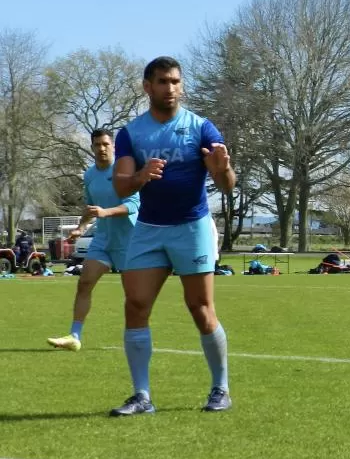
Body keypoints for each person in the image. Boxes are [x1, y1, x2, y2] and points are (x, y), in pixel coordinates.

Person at [110, 56, 236, 417]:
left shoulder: (201, 128)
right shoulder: (131, 134)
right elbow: (120, 187)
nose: (171, 88)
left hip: (192, 227)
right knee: (135, 306)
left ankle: (220, 388)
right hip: (149, 229)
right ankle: (141, 396)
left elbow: (228, 185)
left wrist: (221, 169)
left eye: (176, 82)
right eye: (163, 82)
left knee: (200, 309)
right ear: (147, 87)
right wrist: (140, 177)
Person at [46, 128, 139, 351]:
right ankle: (74, 336)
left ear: (113, 147)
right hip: (103, 239)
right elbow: (89, 209)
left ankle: (136, 337)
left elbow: (133, 206)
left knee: (134, 296)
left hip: (129, 241)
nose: (102, 148)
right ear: (92, 148)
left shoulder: (124, 171)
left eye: (106, 144)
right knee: (84, 282)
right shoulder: (89, 175)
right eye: (97, 145)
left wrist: (105, 212)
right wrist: (80, 228)